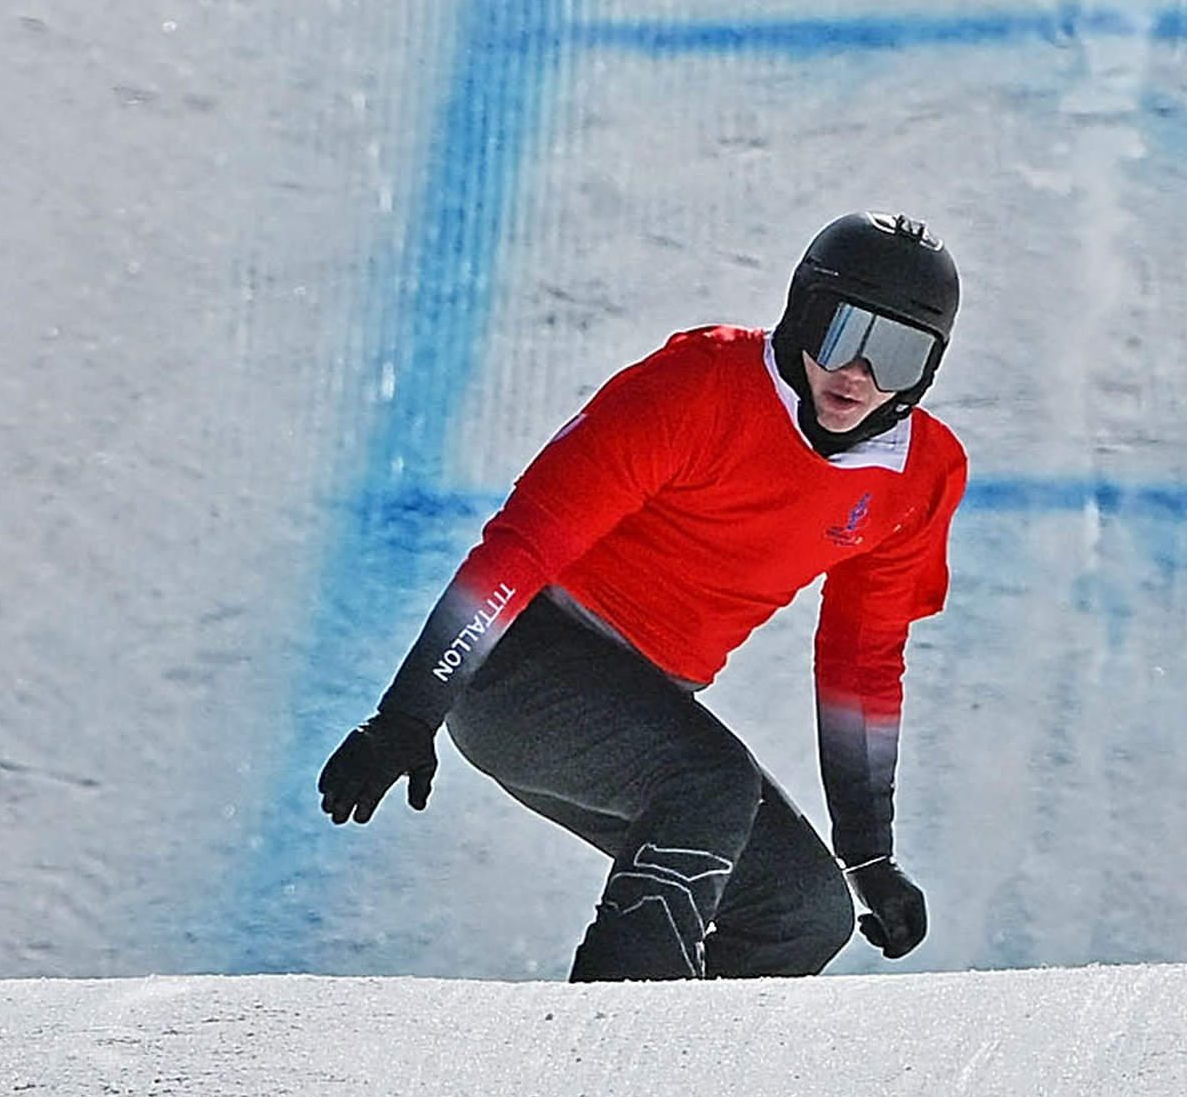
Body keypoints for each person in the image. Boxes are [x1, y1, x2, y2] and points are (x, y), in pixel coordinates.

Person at [313, 213, 968, 979]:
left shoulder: (919, 478)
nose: (857, 373)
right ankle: (609, 1032)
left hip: (645, 706)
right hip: (523, 667)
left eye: (895, 353)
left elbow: (860, 663)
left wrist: (867, 852)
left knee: (801, 908)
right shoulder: (699, 386)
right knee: (708, 781)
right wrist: (408, 712)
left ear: (927, 369)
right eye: (838, 331)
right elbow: (523, 547)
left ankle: (681, 1079)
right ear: (799, 311)